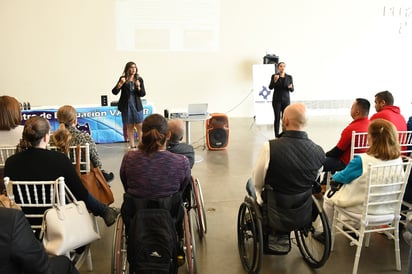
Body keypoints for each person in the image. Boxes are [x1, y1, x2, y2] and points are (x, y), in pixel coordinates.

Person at [4, 116, 119, 230]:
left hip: (23, 224)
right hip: (58, 221)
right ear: (45, 138)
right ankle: (104, 211)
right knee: (79, 191)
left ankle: (104, 211)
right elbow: (81, 193)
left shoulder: (10, 162)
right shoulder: (59, 159)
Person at [252, 103, 325, 252]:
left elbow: (258, 179)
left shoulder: (270, 147)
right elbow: (315, 179)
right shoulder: (319, 151)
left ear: (284, 120)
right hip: (303, 207)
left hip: (275, 205)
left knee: (250, 184)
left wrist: (258, 196)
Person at [120, 114, 191, 267]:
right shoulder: (181, 162)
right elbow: (182, 188)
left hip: (137, 219)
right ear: (169, 135)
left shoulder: (129, 159)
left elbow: (126, 185)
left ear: (141, 134)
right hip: (169, 219)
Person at [323, 119, 403, 228]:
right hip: (387, 209)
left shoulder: (362, 160)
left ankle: (326, 232)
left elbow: (341, 177)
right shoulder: (398, 160)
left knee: (328, 198)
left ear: (372, 138)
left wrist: (335, 177)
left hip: (362, 209)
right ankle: (350, 227)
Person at [0, 207, 79, 274]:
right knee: (64, 262)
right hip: (45, 228)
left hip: (36, 229)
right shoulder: (10, 218)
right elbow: (41, 267)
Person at [51, 105, 114, 182]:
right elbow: (98, 164)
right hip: (82, 179)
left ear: (58, 120)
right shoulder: (85, 138)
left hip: (58, 179)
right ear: (75, 120)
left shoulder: (51, 139)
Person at [322, 98, 370, 175]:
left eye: (351, 108)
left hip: (347, 163)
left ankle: (316, 186)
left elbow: (337, 151)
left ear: (357, 112)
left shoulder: (351, 129)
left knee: (316, 163)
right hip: (364, 162)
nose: (350, 110)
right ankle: (327, 183)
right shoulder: (372, 126)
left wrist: (323, 155)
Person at [112, 61, 146, 149]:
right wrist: (120, 84)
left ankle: (141, 145)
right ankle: (132, 146)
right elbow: (114, 92)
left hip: (136, 105)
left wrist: (138, 87)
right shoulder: (123, 78)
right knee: (129, 126)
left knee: (139, 126)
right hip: (126, 106)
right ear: (127, 69)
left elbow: (143, 94)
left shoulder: (139, 79)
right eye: (131, 67)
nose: (133, 69)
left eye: (135, 67)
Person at [268, 62, 294, 137]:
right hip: (277, 100)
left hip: (286, 100)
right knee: (277, 117)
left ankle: (285, 133)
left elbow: (292, 89)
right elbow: (270, 87)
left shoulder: (289, 77)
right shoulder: (274, 76)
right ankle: (276, 134)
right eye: (280, 66)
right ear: (278, 68)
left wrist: (291, 87)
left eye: (283, 66)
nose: (282, 68)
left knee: (285, 118)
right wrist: (275, 81)